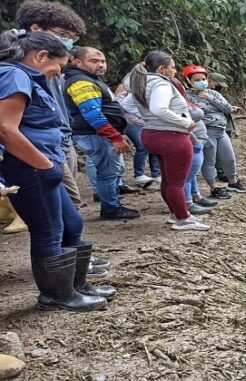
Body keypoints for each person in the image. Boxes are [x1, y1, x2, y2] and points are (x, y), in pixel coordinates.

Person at [0, 30, 115, 311]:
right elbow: (5, 129)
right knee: (48, 231)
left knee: (72, 223)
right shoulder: (14, 76)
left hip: (42, 166)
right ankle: (56, 295)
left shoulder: (25, 77)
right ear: (40, 57)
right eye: (58, 68)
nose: (56, 74)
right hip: (30, 168)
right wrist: (45, 165)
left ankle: (75, 285)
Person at [15, 0, 112, 275]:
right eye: (64, 35)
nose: (69, 43)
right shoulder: (19, 72)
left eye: (72, 39)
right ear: (36, 31)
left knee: (68, 215)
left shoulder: (47, 66)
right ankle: (60, 280)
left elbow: (54, 108)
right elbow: (10, 125)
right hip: (40, 154)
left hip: (58, 144)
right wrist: (45, 164)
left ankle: (73, 271)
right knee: (55, 220)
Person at [124, 51, 209, 231]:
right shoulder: (161, 85)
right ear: (162, 69)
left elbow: (126, 106)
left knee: (168, 180)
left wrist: (147, 119)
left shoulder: (141, 83)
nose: (174, 71)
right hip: (172, 137)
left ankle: (175, 213)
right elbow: (159, 108)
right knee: (177, 181)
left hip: (151, 134)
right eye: (172, 67)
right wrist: (184, 121)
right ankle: (183, 219)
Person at [64, 47, 141, 220]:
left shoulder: (90, 79)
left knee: (111, 171)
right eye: (94, 61)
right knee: (107, 172)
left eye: (103, 61)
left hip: (99, 134)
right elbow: (92, 114)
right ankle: (110, 209)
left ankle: (113, 204)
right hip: (96, 134)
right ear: (76, 61)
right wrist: (114, 136)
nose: (100, 65)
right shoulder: (81, 82)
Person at [183, 65, 246, 198]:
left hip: (221, 130)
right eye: (197, 80)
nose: (201, 82)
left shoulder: (213, 93)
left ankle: (233, 182)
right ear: (188, 81)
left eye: (203, 78)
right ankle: (214, 187)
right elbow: (194, 114)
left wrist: (209, 98)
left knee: (229, 158)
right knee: (209, 161)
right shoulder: (186, 97)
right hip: (207, 131)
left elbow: (227, 108)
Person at [171, 77, 218, 215]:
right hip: (192, 140)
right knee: (187, 173)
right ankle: (188, 203)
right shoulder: (174, 103)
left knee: (192, 173)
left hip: (198, 139)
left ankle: (196, 196)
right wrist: (195, 140)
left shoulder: (184, 100)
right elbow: (181, 123)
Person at [115, 84, 160, 187]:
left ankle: (156, 174)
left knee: (154, 146)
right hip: (131, 121)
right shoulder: (131, 89)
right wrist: (143, 114)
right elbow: (122, 105)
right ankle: (139, 175)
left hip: (148, 122)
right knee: (142, 145)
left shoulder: (153, 88)